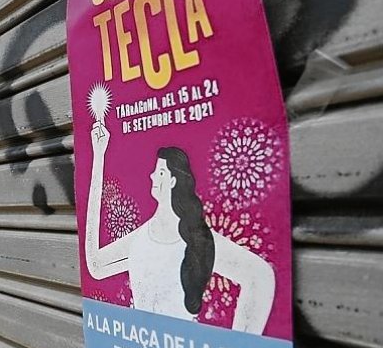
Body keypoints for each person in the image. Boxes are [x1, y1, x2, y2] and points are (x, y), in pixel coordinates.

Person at [85, 122, 275, 335]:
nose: (152, 177)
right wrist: (99, 155)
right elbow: (96, 265)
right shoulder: (141, 238)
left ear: (173, 180)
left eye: (160, 172)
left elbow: (260, 276)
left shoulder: (196, 238)